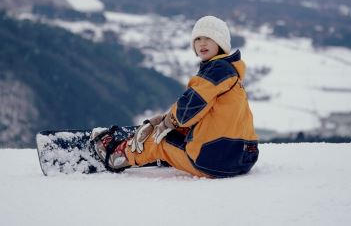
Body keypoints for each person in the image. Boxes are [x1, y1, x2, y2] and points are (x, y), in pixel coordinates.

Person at [92, 15, 259, 178]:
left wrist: (166, 122)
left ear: (221, 43)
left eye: (209, 38)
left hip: (213, 161)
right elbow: (201, 111)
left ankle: (118, 156)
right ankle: (171, 153)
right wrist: (168, 119)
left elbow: (187, 110)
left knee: (159, 140)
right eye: (198, 38)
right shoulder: (231, 72)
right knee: (179, 129)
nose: (202, 43)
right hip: (243, 157)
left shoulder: (216, 71)